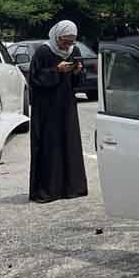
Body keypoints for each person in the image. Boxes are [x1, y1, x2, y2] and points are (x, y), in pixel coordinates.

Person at [28, 20, 88, 203]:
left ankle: (72, 188)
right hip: (47, 108)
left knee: (69, 144)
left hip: (67, 105)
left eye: (71, 41)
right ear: (56, 36)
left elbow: (78, 82)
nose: (67, 45)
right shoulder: (43, 52)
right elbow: (34, 79)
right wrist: (56, 70)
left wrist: (77, 72)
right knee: (50, 147)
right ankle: (48, 190)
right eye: (64, 41)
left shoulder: (74, 52)